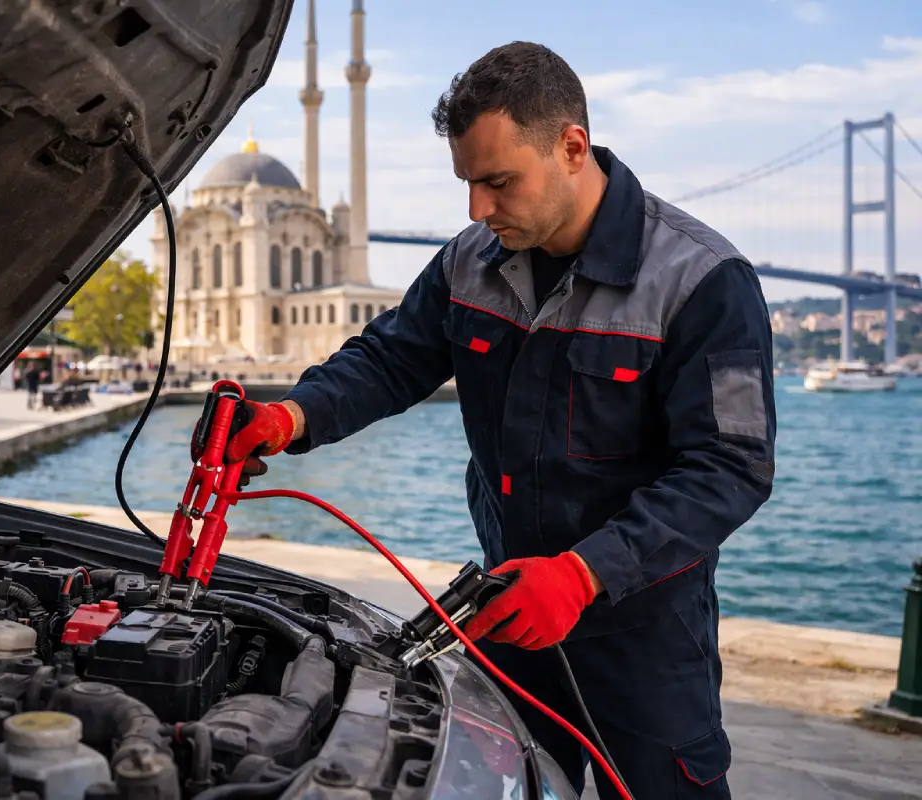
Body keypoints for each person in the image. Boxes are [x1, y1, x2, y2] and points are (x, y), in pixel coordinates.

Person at [219, 42, 775, 798]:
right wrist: (290, 415)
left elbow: (729, 469)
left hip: (640, 638)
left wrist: (584, 575)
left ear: (572, 147)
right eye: (468, 183)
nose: (477, 209)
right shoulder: (470, 259)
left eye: (498, 181)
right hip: (507, 617)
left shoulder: (704, 281)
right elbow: (392, 358)